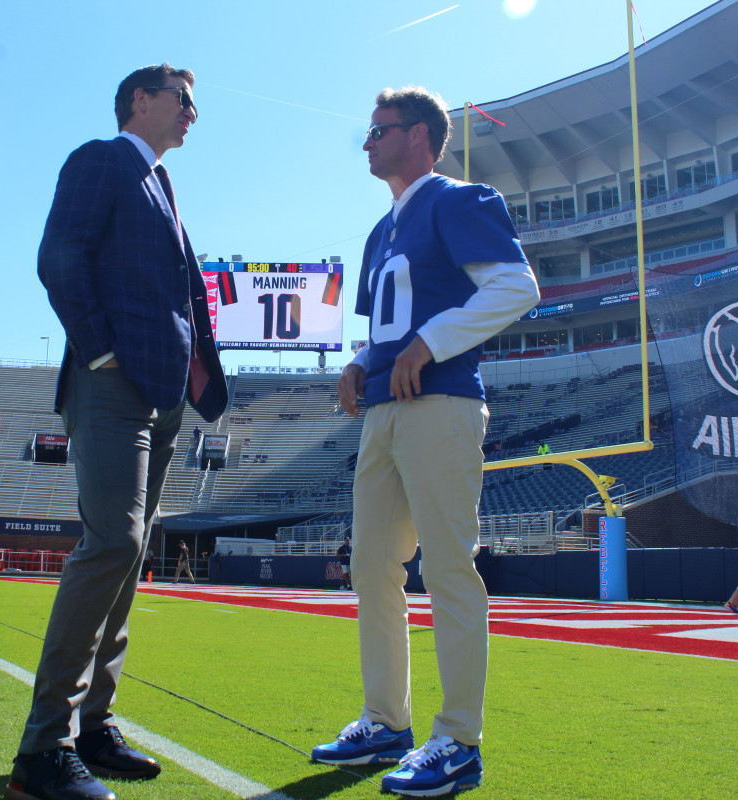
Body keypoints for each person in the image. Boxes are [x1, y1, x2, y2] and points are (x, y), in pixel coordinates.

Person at [7, 63, 228, 800]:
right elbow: (59, 258)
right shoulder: (102, 159)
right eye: (183, 99)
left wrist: (200, 376)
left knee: (130, 558)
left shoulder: (163, 185)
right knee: (114, 543)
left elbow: (185, 295)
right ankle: (43, 749)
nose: (193, 113)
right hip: (112, 383)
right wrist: (100, 352)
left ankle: (94, 727)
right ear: (141, 99)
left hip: (163, 394)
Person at [314, 86, 539, 797]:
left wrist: (430, 343)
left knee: (447, 569)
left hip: (440, 402)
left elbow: (516, 285)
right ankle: (386, 721)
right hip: (381, 411)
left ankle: (459, 740)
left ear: (418, 136)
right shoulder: (381, 231)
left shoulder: (459, 200)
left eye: (378, 131)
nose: (367, 143)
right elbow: (382, 326)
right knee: (372, 570)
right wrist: (358, 364)